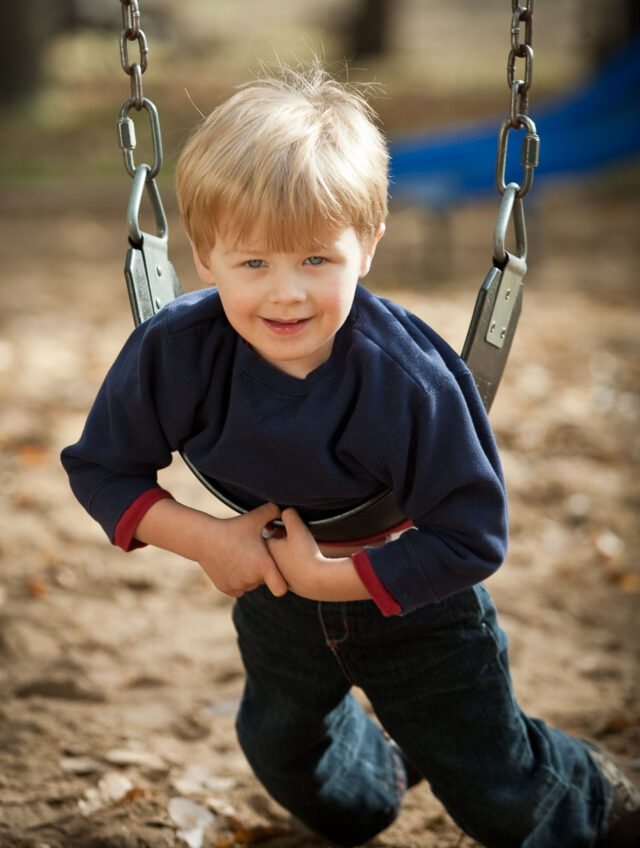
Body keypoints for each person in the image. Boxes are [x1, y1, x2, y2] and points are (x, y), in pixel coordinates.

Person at [61, 66, 639, 847]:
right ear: (204, 257)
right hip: (276, 596)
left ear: (366, 247)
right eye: (253, 263)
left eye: (315, 260)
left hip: (417, 596)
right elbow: (101, 466)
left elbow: (472, 535)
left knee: (497, 792)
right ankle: (383, 779)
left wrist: (331, 578)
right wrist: (207, 539)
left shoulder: (409, 380)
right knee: (287, 755)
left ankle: (594, 793)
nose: (287, 294)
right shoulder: (176, 354)